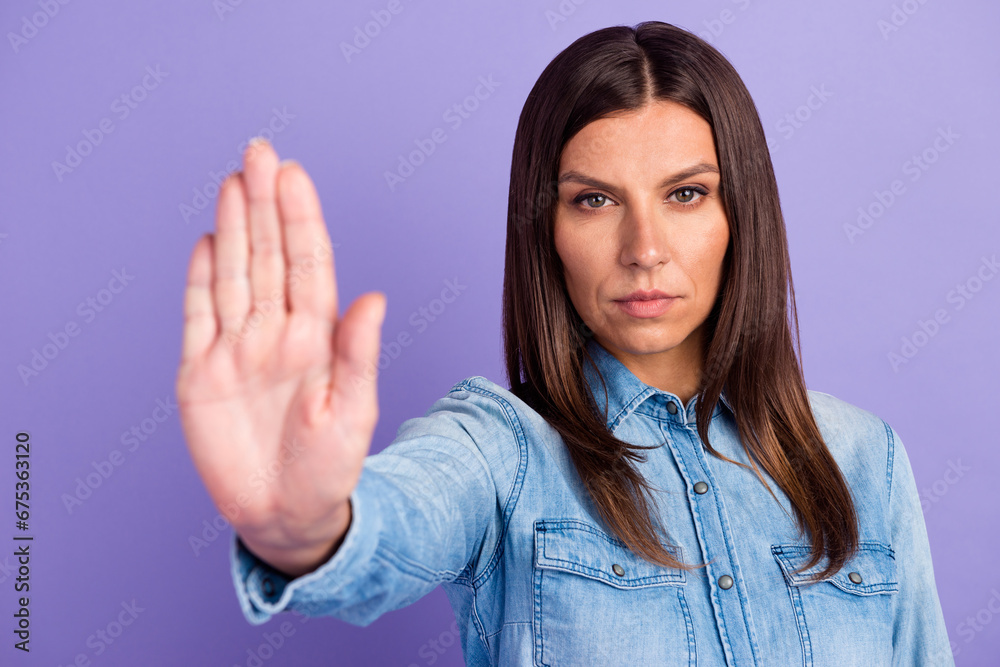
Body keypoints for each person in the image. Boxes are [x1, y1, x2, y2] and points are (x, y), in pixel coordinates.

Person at [176, 21, 953, 666]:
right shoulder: (502, 449)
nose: (644, 248)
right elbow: (402, 517)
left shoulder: (865, 459)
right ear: (546, 229)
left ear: (739, 215)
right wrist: (306, 528)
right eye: (594, 200)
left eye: (686, 194)